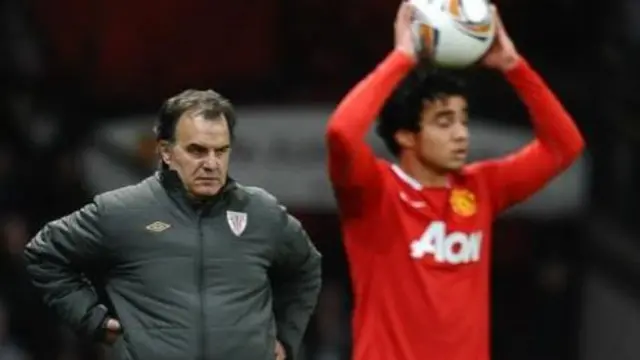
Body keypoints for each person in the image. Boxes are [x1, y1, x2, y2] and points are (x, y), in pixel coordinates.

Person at [325, 3, 584, 360]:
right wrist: (402, 57)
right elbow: (341, 132)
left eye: (464, 120)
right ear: (406, 136)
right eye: (444, 122)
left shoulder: (481, 187)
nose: (462, 134)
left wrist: (514, 66)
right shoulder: (373, 191)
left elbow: (564, 147)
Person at [23, 89, 322, 360]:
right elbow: (45, 254)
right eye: (197, 150)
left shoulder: (261, 212)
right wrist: (94, 321)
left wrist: (285, 336)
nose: (211, 163)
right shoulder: (123, 210)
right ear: (166, 151)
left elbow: (306, 268)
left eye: (221, 151)